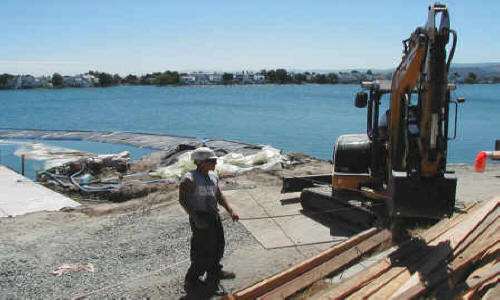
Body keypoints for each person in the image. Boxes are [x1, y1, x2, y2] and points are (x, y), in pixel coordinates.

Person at [179, 147, 239, 297]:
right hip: (200, 217)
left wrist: (230, 210)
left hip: (213, 216)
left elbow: (218, 195)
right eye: (211, 161)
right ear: (200, 162)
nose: (215, 163)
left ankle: (214, 272)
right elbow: (183, 200)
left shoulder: (213, 176)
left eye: (215, 160)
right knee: (202, 250)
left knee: (218, 245)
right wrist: (195, 218)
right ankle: (192, 279)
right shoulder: (189, 179)